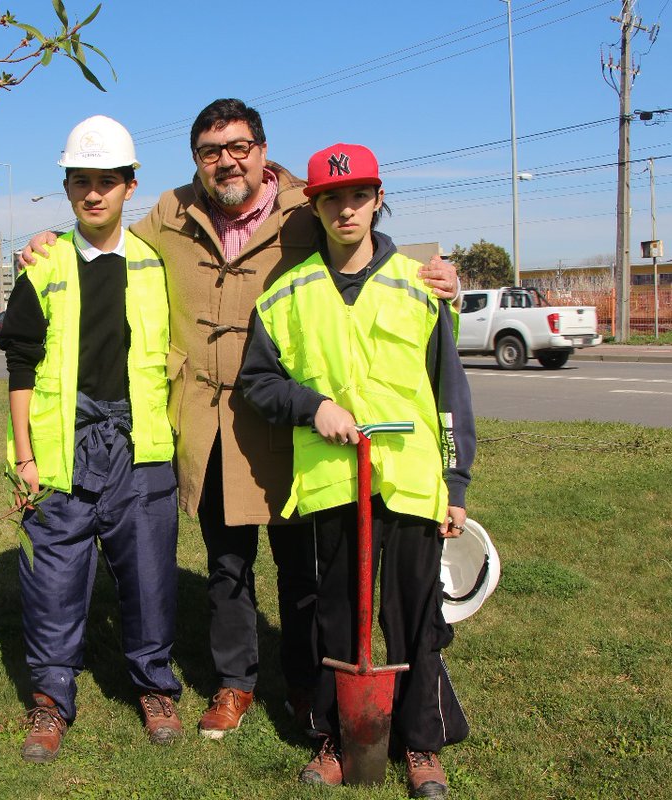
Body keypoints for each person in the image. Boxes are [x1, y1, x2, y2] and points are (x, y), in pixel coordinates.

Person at [25, 99, 460, 739]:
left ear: (261, 150)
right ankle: (235, 684)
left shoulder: (302, 207)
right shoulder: (172, 212)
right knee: (227, 565)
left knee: (301, 562)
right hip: (204, 417)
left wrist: (440, 272)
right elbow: (101, 230)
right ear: (196, 161)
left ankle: (309, 683)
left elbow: (367, 243)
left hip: (287, 421)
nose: (226, 161)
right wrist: (45, 243)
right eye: (210, 151)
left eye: (238, 147)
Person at [239, 142, 475, 797]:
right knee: (332, 620)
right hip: (333, 485)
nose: (347, 209)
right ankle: (335, 737)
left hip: (409, 481)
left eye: (359, 196)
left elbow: (449, 392)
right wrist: (311, 406)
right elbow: (256, 382)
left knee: (417, 617)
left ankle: (421, 744)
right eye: (332, 198)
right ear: (314, 206)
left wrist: (456, 483)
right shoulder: (286, 295)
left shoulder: (418, 284)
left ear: (377, 200)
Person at [0, 115, 183, 764]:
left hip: (143, 453)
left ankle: (155, 688)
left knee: (152, 582)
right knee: (52, 588)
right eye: (82, 182)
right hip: (61, 455)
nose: (94, 194)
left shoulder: (157, 267)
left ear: (132, 186)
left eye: (108, 181)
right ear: (68, 188)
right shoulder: (43, 267)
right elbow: (20, 365)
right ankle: (49, 704)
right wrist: (25, 455)